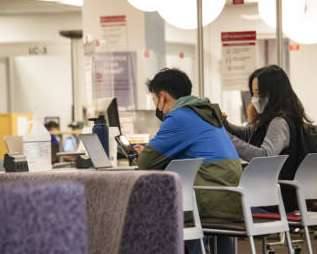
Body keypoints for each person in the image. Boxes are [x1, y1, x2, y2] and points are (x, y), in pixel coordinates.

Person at [133, 68, 243, 254]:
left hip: (209, 200)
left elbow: (145, 162)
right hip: (232, 197)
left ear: (163, 96)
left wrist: (145, 153)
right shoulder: (205, 114)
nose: (156, 107)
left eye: (154, 101)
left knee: (148, 212)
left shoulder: (179, 117)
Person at [224, 65, 310, 213]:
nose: (254, 98)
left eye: (258, 92)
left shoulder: (279, 122)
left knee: (219, 207)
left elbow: (265, 156)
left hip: (273, 200)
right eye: (253, 92)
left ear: (273, 92)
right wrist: (224, 125)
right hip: (275, 196)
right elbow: (247, 133)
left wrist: (227, 140)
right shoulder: (281, 117)